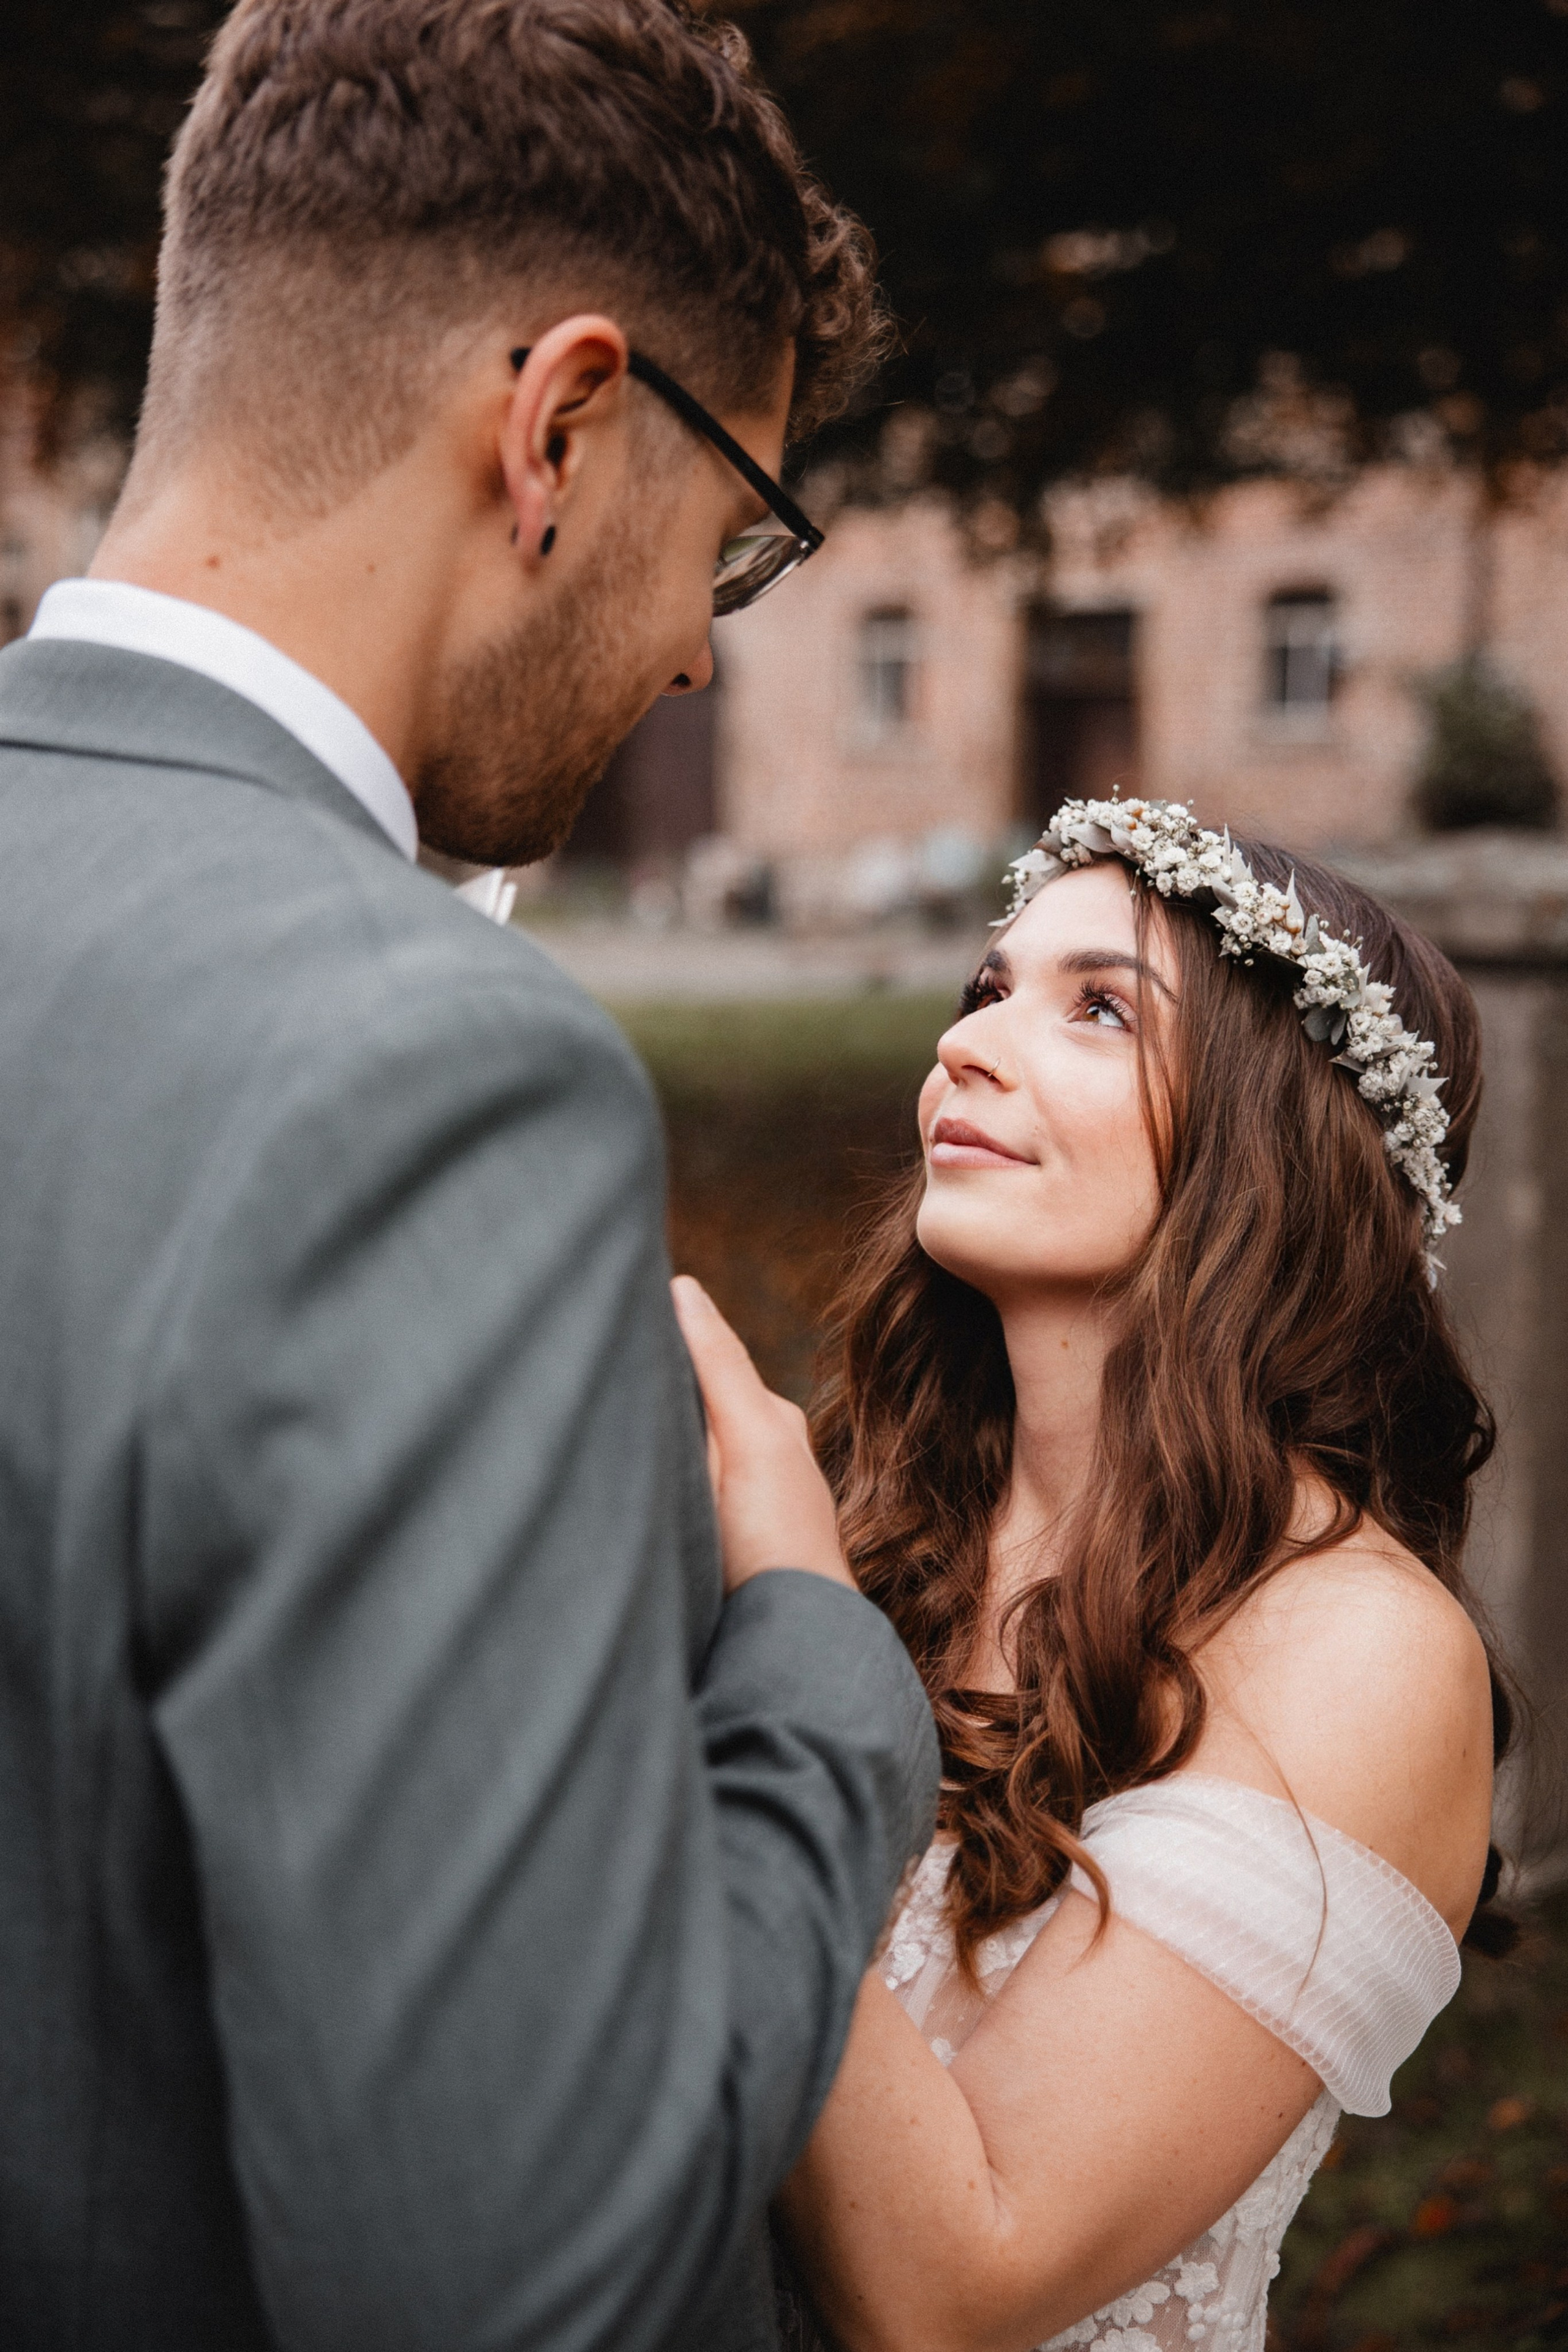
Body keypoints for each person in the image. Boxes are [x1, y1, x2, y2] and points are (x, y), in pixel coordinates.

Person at [0, 5, 940, 2348]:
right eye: (728, 556)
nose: (701, 674)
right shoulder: (422, 1072)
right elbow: (508, 2282)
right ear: (563, 428)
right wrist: (821, 1685)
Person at [684, 800, 1515, 2352]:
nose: (970, 1049)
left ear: (1273, 1144)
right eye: (985, 993)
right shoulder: (876, 1523)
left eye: (1097, 1009)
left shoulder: (1358, 1657)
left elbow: (953, 2284)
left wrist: (760, 1644)